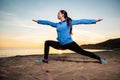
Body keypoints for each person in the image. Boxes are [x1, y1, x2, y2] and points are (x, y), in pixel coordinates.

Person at [32, 10, 107, 64]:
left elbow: (82, 21)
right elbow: (48, 22)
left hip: (70, 43)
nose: (57, 15)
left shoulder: (69, 22)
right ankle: (45, 59)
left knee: (83, 52)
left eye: (58, 13)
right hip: (61, 45)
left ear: (63, 14)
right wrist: (38, 21)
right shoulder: (57, 24)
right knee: (47, 42)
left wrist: (94, 21)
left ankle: (100, 59)